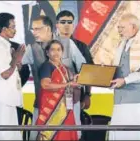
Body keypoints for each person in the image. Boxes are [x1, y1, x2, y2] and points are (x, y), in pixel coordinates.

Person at [22, 15, 86, 140]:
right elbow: (18, 66)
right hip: (44, 104)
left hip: (69, 103)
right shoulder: (31, 49)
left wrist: (85, 94)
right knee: (40, 136)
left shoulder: (67, 43)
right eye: (33, 29)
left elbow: (83, 66)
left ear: (48, 28)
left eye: (37, 29)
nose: (34, 33)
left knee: (71, 136)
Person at [109, 13, 140, 140]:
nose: (119, 31)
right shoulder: (122, 44)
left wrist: (126, 80)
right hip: (120, 103)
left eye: (122, 27)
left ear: (134, 27)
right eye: (119, 28)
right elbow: (118, 69)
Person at [0, 13, 25, 140]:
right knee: (2, 136)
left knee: (12, 135)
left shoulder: (5, 46)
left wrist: (16, 63)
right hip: (0, 99)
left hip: (7, 99)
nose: (15, 30)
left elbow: (11, 70)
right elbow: (5, 74)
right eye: (12, 27)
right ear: (4, 29)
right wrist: (15, 59)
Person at [56, 10, 93, 139]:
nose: (66, 25)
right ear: (57, 25)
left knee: (74, 130)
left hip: (75, 96)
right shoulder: (50, 45)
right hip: (53, 97)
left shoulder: (81, 47)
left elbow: (89, 71)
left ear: (74, 25)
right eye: (63, 22)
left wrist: (87, 95)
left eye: (69, 22)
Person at [36, 40, 78, 140]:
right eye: (53, 50)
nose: (56, 52)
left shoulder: (65, 68)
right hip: (52, 111)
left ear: (62, 52)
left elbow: (70, 82)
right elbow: (45, 84)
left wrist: (76, 79)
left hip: (66, 109)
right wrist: (67, 84)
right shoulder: (47, 66)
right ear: (47, 53)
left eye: (59, 50)